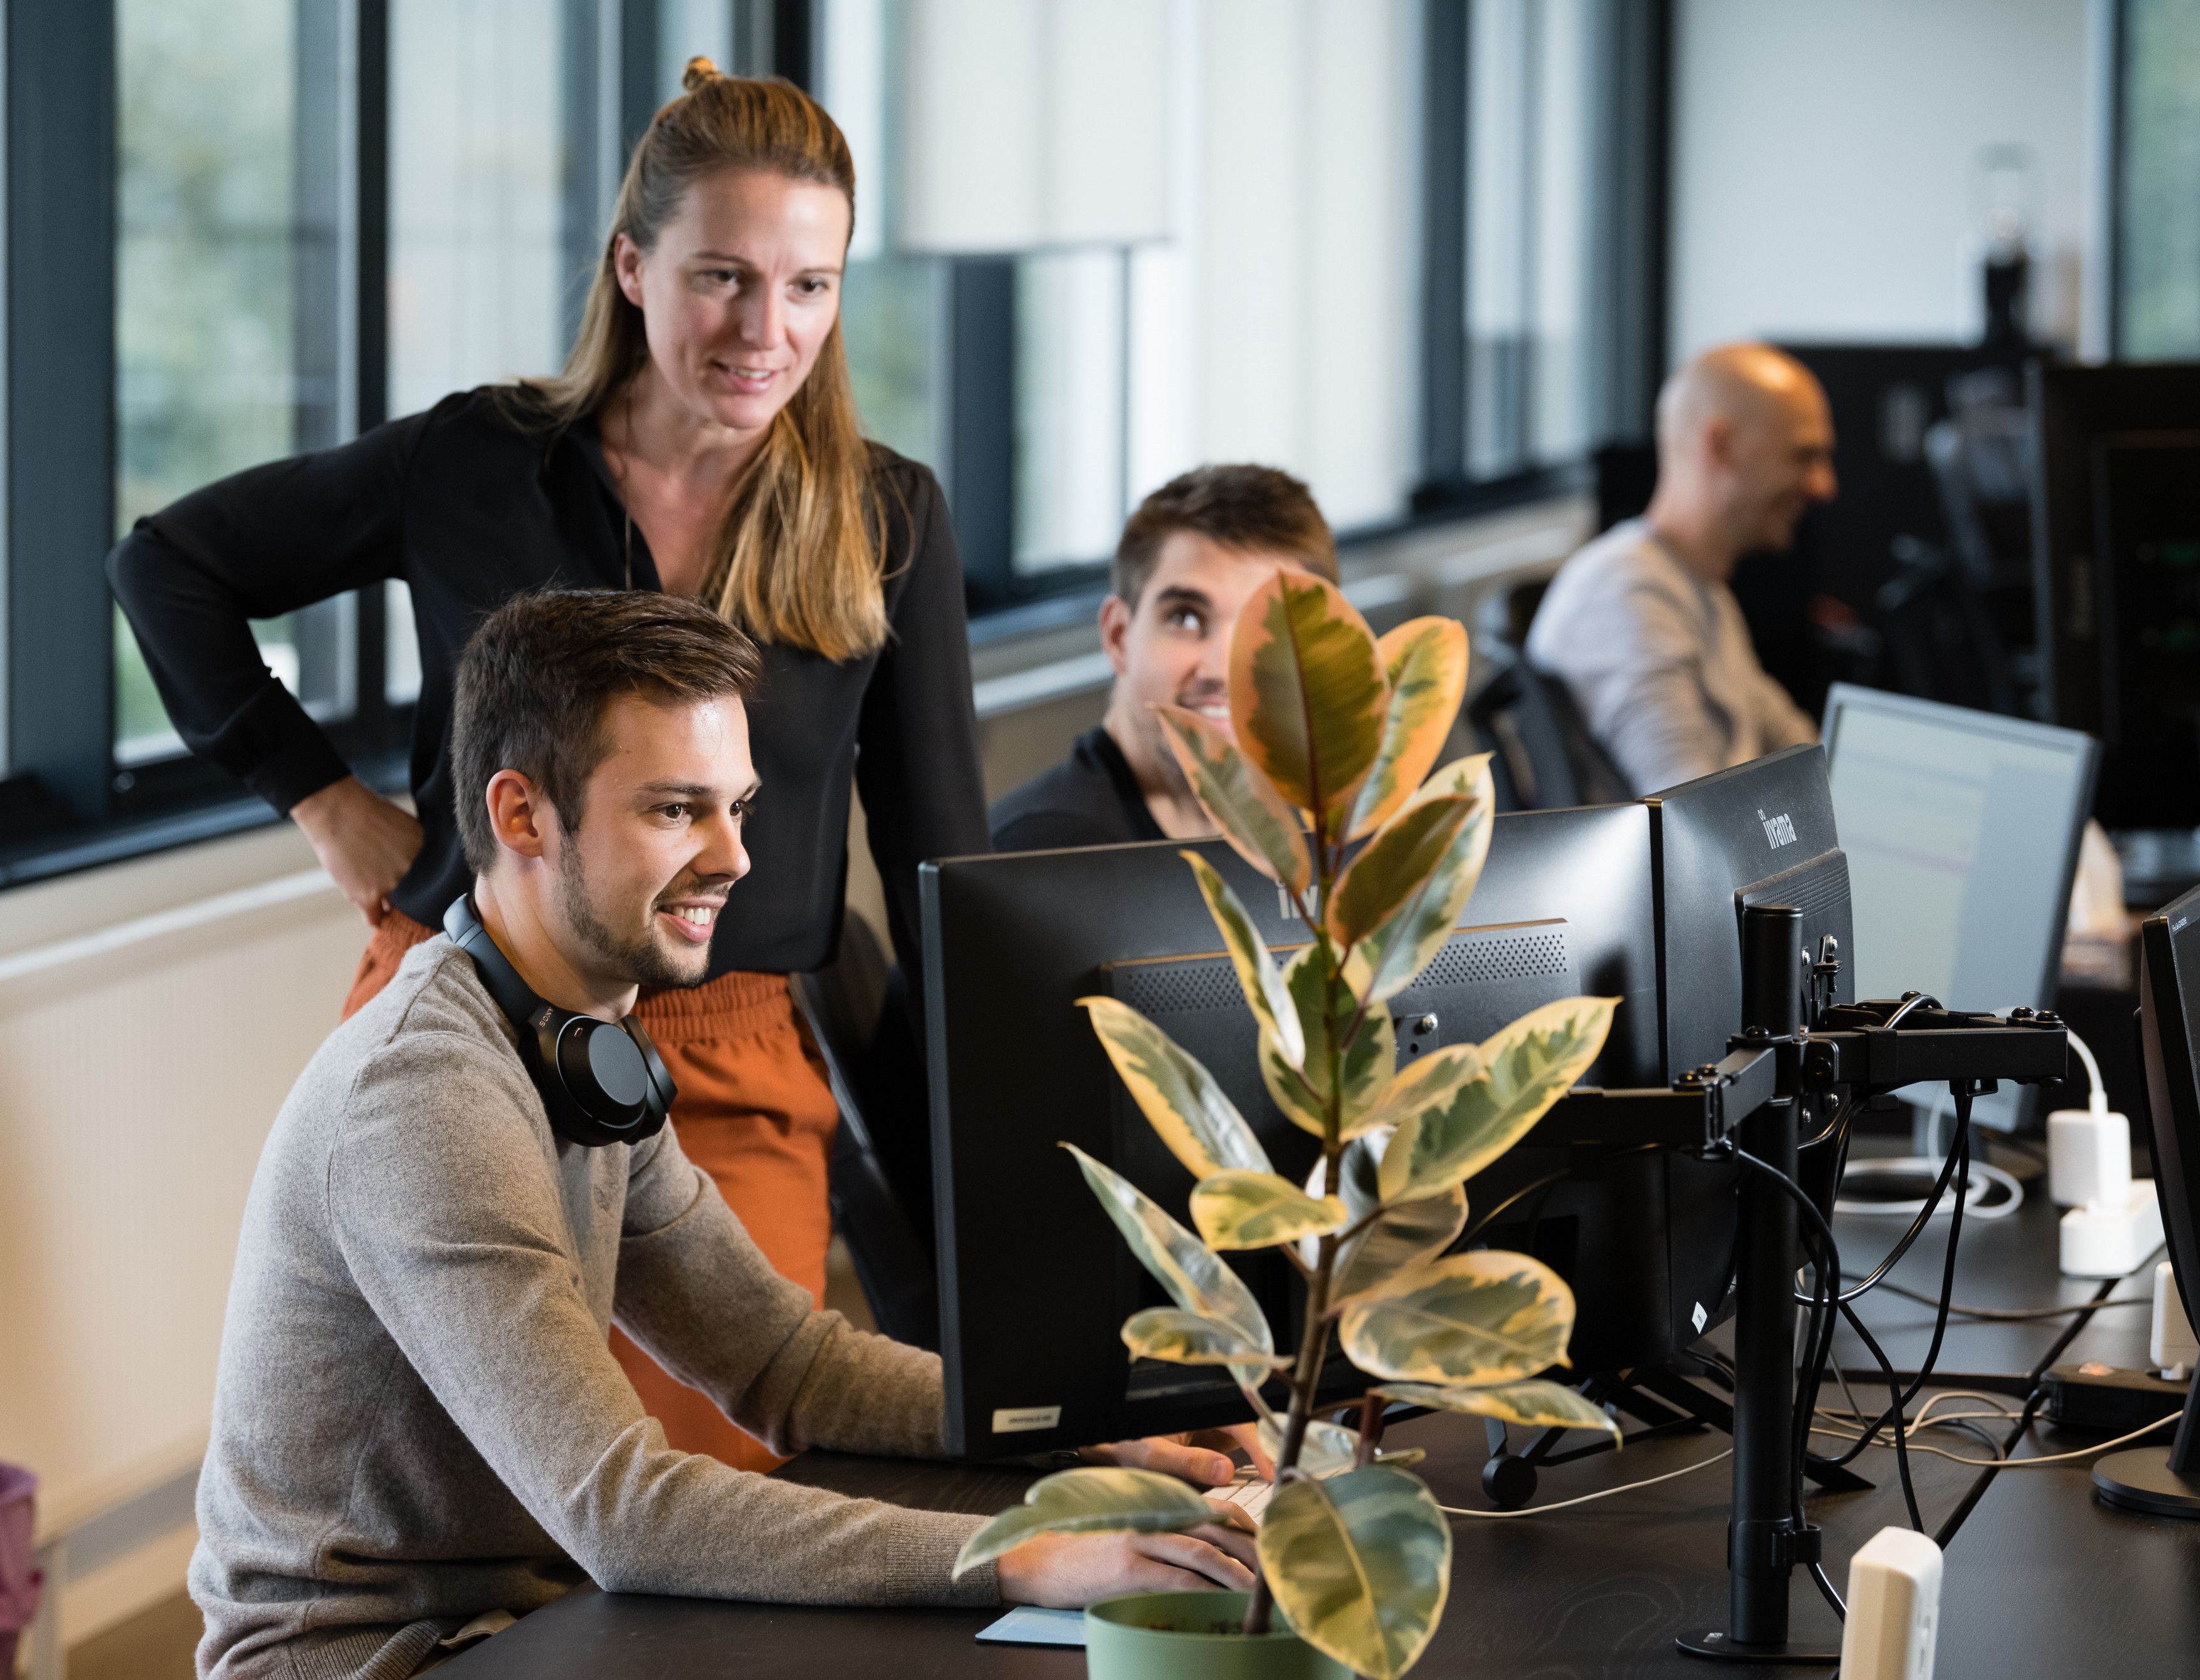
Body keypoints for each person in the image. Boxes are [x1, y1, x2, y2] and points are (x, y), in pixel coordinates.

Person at [108, 62, 984, 1469]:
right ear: (632, 266)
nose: (767, 330)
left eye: (808, 285)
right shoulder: (473, 461)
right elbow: (170, 568)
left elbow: (948, 862)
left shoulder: (887, 514)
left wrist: (1008, 1160)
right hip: (469, 1011)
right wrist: (324, 802)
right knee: (450, 1485)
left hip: (732, 1051)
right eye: (722, 277)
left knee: (708, 1494)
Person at [193, 590, 1262, 1679]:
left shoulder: (582, 1044)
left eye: (737, 806)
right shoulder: (426, 1100)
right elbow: (625, 1510)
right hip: (363, 1659)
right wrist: (1026, 1555)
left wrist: (1078, 1428)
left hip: (520, 1623)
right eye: (675, 810)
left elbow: (784, 1364)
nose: (735, 856)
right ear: (522, 816)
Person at [1525, 342, 1833, 796]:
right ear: (1721, 445)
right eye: (1803, 456)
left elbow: (1801, 754)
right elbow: (1696, 828)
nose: (1824, 485)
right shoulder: (1625, 599)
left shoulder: (1698, 587)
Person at [990, 465, 1339, 850]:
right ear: (1118, 636)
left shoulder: (1322, 844)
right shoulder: (1034, 857)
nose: (1221, 671)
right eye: (1185, 619)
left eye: (1269, 626)